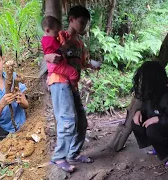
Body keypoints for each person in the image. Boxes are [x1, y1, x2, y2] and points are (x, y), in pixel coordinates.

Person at [44, 5, 98, 172]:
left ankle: (73, 154)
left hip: (72, 85)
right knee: (67, 120)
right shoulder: (60, 36)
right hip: (59, 81)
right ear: (72, 20)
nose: (83, 26)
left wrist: (92, 65)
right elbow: (48, 51)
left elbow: (80, 63)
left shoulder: (80, 44)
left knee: (81, 121)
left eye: (86, 23)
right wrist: (47, 56)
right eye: (81, 22)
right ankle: (59, 158)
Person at [41, 15, 79, 90]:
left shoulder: (43, 39)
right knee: (74, 73)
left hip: (50, 65)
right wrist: (66, 46)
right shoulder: (52, 40)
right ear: (48, 30)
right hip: (57, 65)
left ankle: (49, 78)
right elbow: (62, 48)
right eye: (56, 32)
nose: (57, 34)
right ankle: (73, 87)